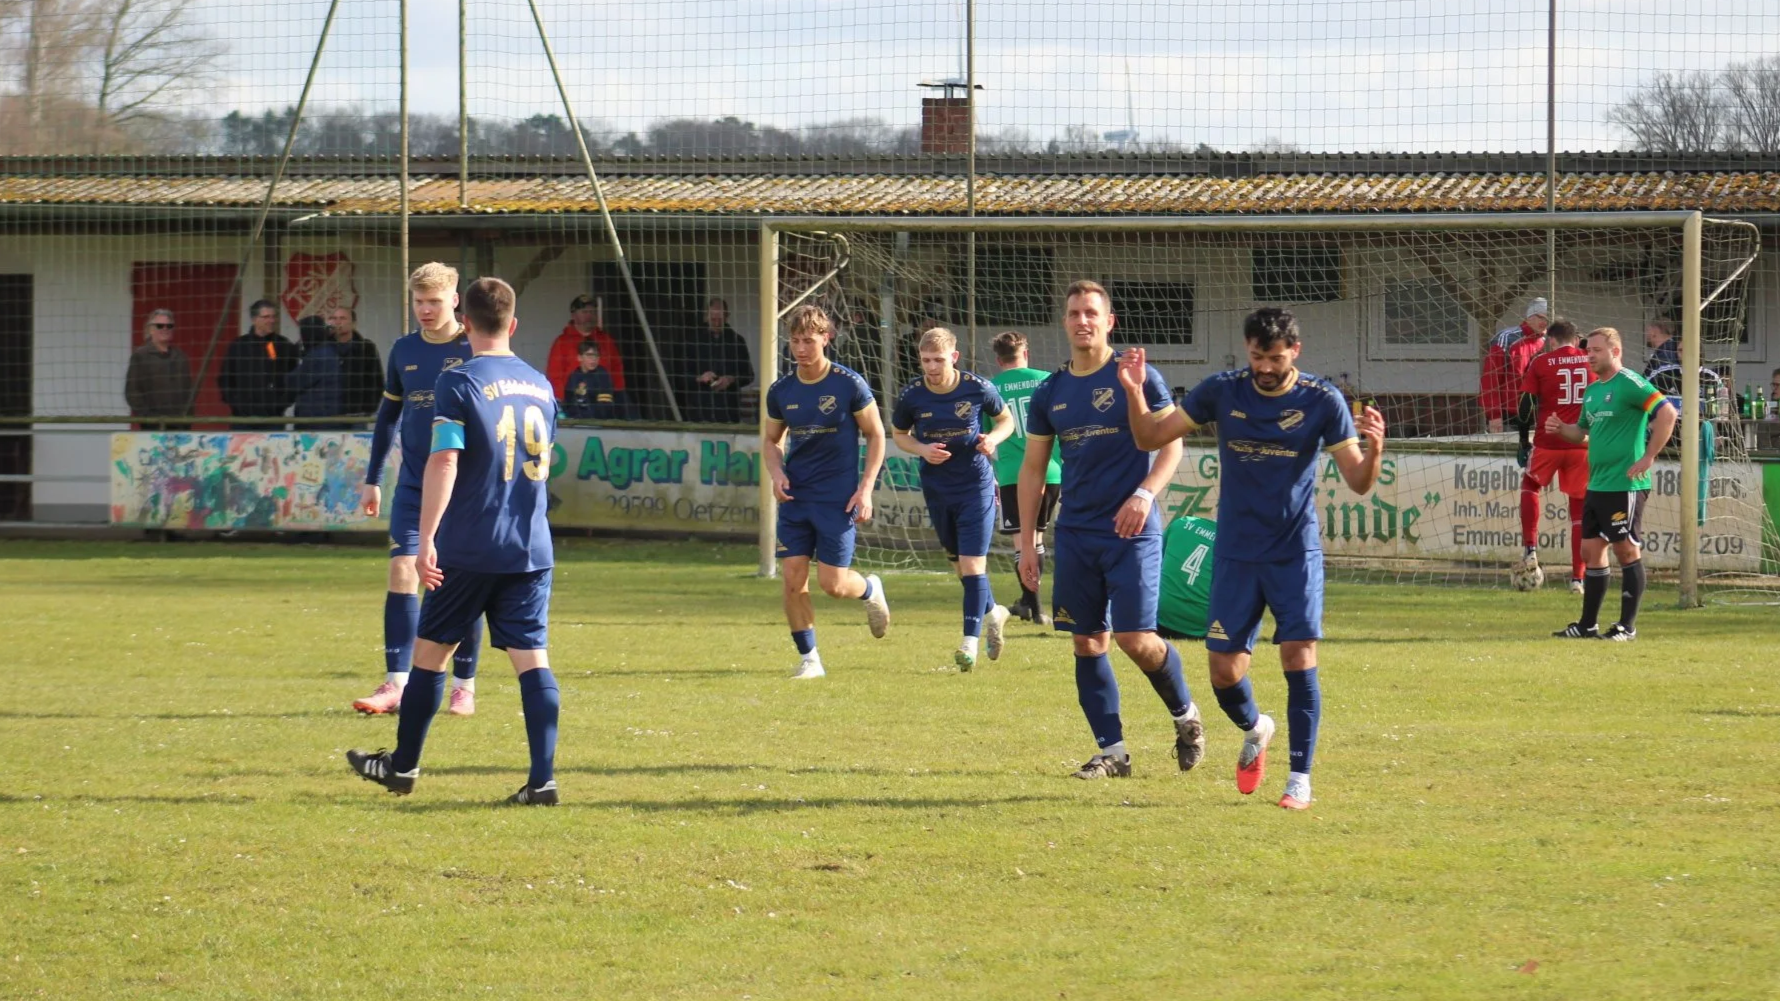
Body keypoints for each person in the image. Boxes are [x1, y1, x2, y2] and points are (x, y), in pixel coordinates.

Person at [1124, 307, 1387, 811]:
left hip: (1294, 552)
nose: (1265, 367)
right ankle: (1256, 727)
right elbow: (1149, 438)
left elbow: (1358, 481)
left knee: (1298, 656)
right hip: (1236, 552)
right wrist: (1136, 391)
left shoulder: (1322, 400)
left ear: (1296, 352)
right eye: (1257, 356)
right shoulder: (1223, 390)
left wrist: (1373, 449)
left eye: (1275, 357)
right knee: (1223, 670)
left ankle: (1299, 779)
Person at [346, 276, 562, 805]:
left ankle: (402, 767)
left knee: (430, 654)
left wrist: (427, 539)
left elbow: (445, 459)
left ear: (464, 323)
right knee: (532, 659)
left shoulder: (460, 380)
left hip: (468, 545)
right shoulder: (541, 383)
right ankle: (542, 780)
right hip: (531, 547)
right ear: (513, 325)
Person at [1017, 280, 1203, 781]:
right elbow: (1033, 469)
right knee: (1086, 641)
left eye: (1092, 313)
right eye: (1074, 312)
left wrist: (1144, 495)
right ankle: (1112, 753)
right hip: (1076, 532)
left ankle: (1186, 717)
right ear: (1065, 321)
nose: (1083, 320)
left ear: (1109, 322)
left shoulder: (1136, 376)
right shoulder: (1050, 392)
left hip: (1132, 531)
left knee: (1135, 638)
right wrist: (1028, 542)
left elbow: (1171, 446)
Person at [354, 263, 484, 716]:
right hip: (412, 483)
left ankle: (464, 685)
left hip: (462, 484)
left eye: (434, 301)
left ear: (454, 300)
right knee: (402, 571)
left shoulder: (474, 348)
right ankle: (396, 684)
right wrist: (372, 479)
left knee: (456, 582)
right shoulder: (403, 350)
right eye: (418, 302)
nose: (425, 310)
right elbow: (388, 416)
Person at [762, 304, 891, 680]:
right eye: (795, 341)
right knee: (792, 579)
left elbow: (876, 434)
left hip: (837, 498)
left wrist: (865, 489)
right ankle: (810, 659)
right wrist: (775, 473)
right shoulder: (782, 391)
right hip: (795, 497)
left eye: (809, 340)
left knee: (833, 585)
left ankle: (869, 589)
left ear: (826, 338)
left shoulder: (848, 383)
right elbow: (771, 441)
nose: (801, 348)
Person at [890, 325, 1016, 671]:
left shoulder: (978, 388)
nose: (931, 367)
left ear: (954, 357)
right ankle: (994, 612)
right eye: (926, 360)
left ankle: (968, 644)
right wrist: (921, 449)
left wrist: (992, 439)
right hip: (937, 488)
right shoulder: (912, 394)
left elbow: (1007, 422)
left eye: (939, 360)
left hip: (975, 486)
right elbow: (899, 434)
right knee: (960, 567)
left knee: (974, 566)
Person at [1545, 327, 1678, 642]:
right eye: (1588, 350)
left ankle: (1626, 627)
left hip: (1626, 484)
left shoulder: (1630, 383)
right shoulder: (1592, 391)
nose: (1589, 355)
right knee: (1590, 551)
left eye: (1596, 350)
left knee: (1626, 550)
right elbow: (1582, 433)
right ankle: (1587, 625)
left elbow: (1668, 413)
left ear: (1615, 352)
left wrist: (1648, 456)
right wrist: (1562, 428)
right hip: (1598, 484)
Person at [1514, 318, 1594, 593]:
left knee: (1530, 486)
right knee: (1578, 511)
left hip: (1548, 441)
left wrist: (1524, 440)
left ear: (1551, 339)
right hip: (1582, 443)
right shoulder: (1589, 360)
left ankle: (1530, 550)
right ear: (1575, 339)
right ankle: (1577, 580)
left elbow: (1525, 406)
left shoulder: (1541, 362)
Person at [988, 330, 1062, 625]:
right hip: (1051, 470)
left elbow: (990, 434)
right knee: (1038, 539)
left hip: (1013, 473)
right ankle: (1028, 603)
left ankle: (1036, 609)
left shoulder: (991, 388)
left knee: (1022, 543)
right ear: (1026, 354)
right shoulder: (1048, 380)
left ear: (998, 359)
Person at [287, 308, 384, 429]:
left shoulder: (365, 348)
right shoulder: (321, 347)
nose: (338, 322)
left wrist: (367, 408)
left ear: (353, 323)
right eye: (334, 318)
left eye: (343, 318)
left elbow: (376, 381)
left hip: (355, 415)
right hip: (329, 415)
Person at [218, 299, 296, 429]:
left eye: (273, 316)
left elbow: (293, 377)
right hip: (242, 419)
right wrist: (237, 404)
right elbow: (225, 379)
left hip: (273, 418)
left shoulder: (283, 345)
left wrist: (281, 404)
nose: (271, 321)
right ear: (254, 320)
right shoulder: (239, 346)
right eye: (266, 317)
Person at [1481, 298, 1549, 434]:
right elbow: (1490, 379)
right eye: (1540, 317)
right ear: (1529, 317)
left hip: (1539, 415)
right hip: (1510, 416)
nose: (1544, 322)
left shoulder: (1546, 343)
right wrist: (1494, 415)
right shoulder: (1507, 338)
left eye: (1547, 319)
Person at [684, 297, 754, 424]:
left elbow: (749, 375)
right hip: (699, 410)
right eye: (713, 319)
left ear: (727, 316)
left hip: (728, 410)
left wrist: (731, 379)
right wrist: (699, 378)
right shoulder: (692, 340)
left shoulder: (737, 341)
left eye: (720, 320)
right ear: (706, 316)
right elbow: (679, 376)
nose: (716, 323)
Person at [547, 294, 625, 403]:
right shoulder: (562, 342)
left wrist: (618, 396)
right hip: (574, 402)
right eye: (585, 312)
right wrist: (562, 402)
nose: (589, 315)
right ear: (573, 315)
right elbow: (554, 376)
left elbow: (617, 369)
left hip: (605, 401)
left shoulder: (606, 340)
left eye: (592, 312)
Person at [124, 309, 193, 429]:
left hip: (179, 424)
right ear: (150, 329)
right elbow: (132, 391)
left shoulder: (180, 357)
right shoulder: (140, 356)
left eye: (169, 326)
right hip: (152, 424)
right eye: (160, 325)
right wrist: (147, 417)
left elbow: (188, 391)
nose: (165, 329)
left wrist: (187, 417)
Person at [1157, 513, 1218, 643]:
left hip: (1158, 619)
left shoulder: (1181, 524)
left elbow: (1153, 564)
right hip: (1203, 627)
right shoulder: (1240, 545)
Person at [562, 339, 633, 420]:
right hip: (576, 422)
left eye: (596, 355)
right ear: (579, 357)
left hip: (598, 423)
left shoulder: (602, 375)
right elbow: (569, 403)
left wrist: (584, 417)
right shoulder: (573, 376)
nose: (593, 359)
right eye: (589, 355)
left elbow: (604, 408)